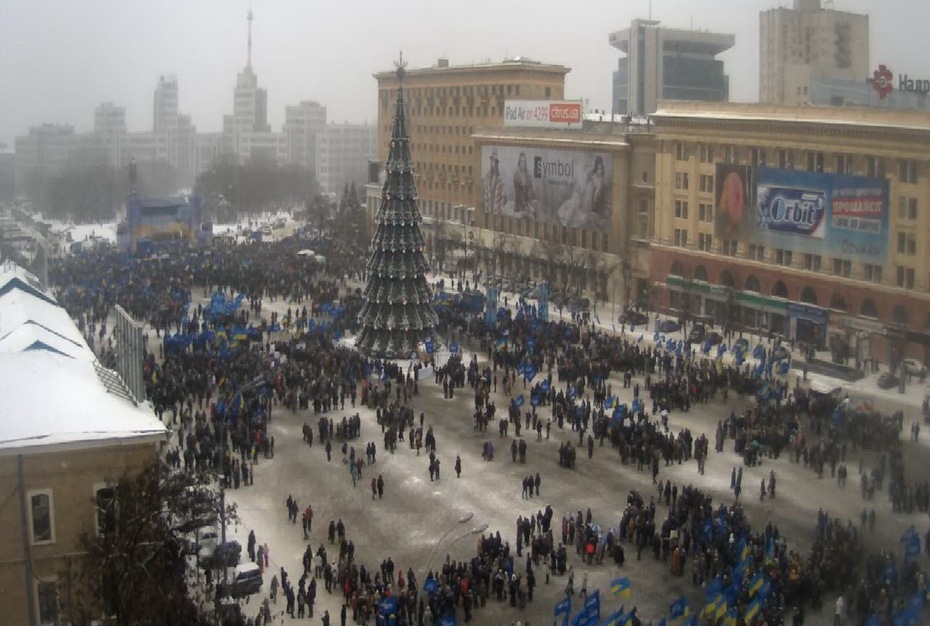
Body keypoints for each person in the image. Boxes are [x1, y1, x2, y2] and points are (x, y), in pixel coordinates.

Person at [512, 152, 538, 218]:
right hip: (520, 205)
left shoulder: (528, 175)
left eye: (523, 161)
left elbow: (531, 190)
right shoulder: (516, 176)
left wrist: (532, 204)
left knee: (534, 214)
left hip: (527, 203)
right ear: (519, 163)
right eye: (521, 161)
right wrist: (528, 207)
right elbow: (519, 195)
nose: (522, 164)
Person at [482, 149, 505, 215]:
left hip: (498, 211)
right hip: (488, 209)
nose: (492, 162)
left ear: (497, 162)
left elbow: (503, 197)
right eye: (491, 160)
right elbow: (484, 193)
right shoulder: (487, 176)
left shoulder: (500, 178)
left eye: (494, 160)